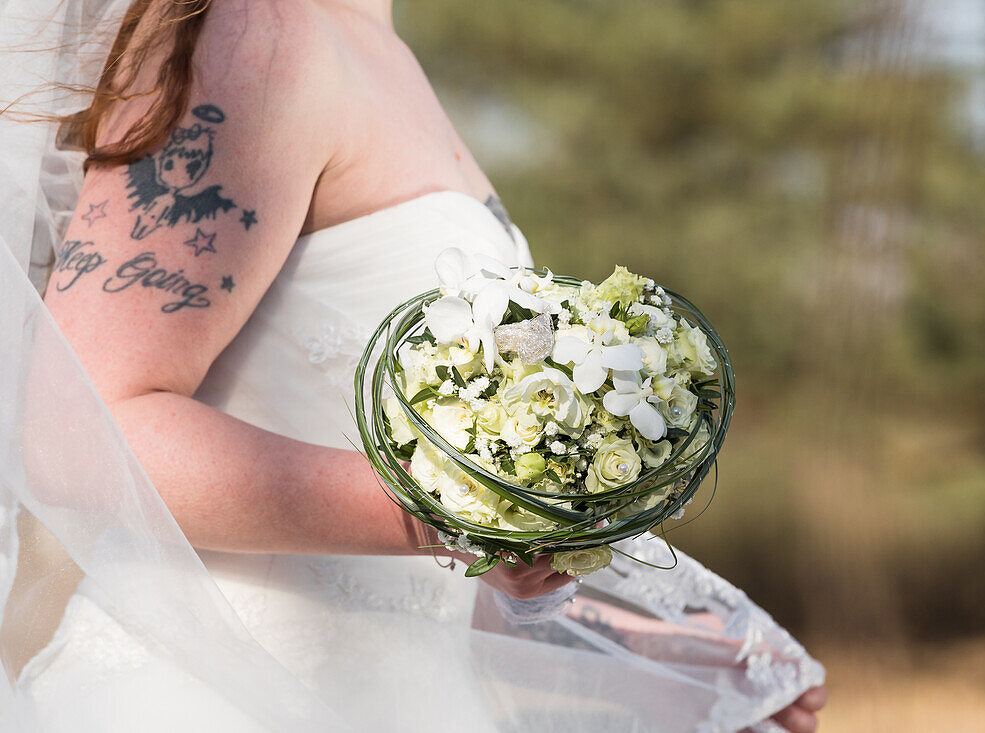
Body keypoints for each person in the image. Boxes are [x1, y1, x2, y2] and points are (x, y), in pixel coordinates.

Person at [1, 0, 826, 730]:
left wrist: (669, 658)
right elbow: (79, 430)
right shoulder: (259, 31)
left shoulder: (384, 55)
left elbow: (396, 582)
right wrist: (468, 514)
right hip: (205, 700)